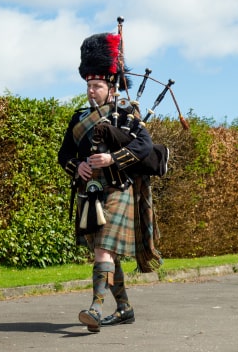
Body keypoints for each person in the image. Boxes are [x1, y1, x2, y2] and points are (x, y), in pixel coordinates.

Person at [58, 32, 161, 333]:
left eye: (97, 86)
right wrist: (77, 167)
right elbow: (63, 153)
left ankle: (95, 308)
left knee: (104, 249)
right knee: (105, 253)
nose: (91, 91)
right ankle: (125, 308)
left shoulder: (127, 113)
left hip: (118, 189)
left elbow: (145, 146)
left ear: (111, 87)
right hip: (89, 193)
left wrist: (113, 160)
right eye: (88, 86)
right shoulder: (78, 118)